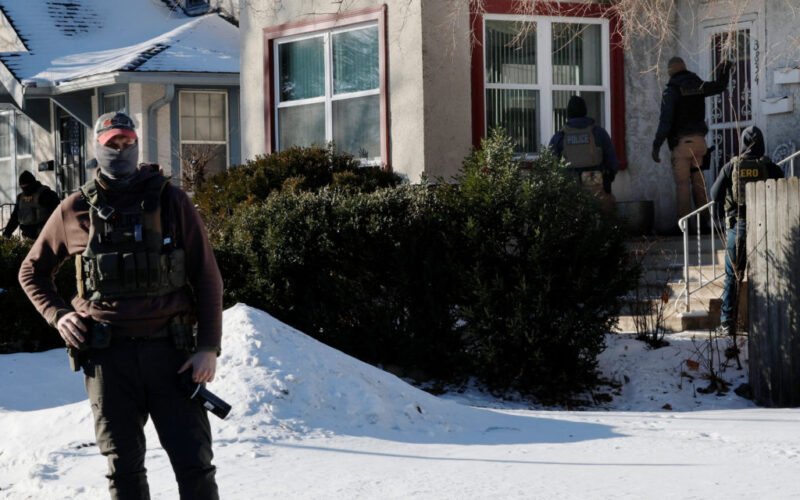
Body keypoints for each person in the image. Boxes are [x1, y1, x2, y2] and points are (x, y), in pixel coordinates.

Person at [18, 112, 223, 500]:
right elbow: (31, 272)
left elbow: (207, 275)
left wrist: (208, 347)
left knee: (195, 464)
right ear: (97, 147)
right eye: (112, 143)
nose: (121, 149)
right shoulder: (75, 208)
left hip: (172, 355)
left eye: (128, 142)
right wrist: (58, 316)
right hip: (108, 359)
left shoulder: (171, 200)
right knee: (123, 469)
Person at [709, 126, 783, 336]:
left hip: (738, 228)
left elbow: (714, 194)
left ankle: (727, 323)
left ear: (742, 143)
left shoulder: (732, 166)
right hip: (765, 228)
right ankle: (767, 321)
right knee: (768, 275)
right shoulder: (770, 167)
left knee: (732, 276)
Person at [652, 56, 732, 230]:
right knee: (699, 183)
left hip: (682, 145)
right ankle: (705, 223)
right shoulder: (698, 85)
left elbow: (665, 122)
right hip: (699, 143)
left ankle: (684, 226)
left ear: (670, 72)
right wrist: (725, 69)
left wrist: (656, 146)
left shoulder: (671, 91)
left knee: (683, 185)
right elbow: (719, 86)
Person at [549, 95, 619, 213]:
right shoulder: (599, 133)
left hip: (570, 193)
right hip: (597, 190)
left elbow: (550, 165)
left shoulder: (560, 136)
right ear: (585, 112)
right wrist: (607, 180)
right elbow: (613, 164)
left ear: (568, 114)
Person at [2, 170, 60, 239]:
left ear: (32, 184)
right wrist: (6, 234)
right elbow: (14, 218)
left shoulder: (46, 194)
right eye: (22, 187)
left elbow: (56, 215)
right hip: (27, 236)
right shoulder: (21, 198)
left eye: (26, 186)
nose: (25, 189)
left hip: (43, 235)